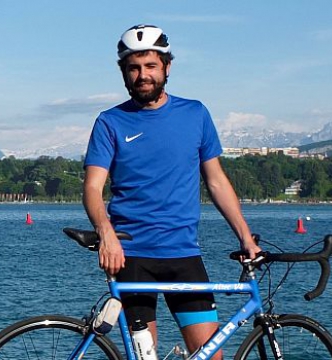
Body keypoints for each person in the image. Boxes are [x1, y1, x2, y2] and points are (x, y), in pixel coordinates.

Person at [82, 24, 261, 359]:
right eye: (133, 68)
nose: (142, 75)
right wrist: (105, 233)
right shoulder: (110, 121)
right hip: (131, 255)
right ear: (124, 72)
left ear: (166, 67)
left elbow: (217, 181)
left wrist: (246, 237)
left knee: (211, 355)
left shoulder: (195, 114)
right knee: (145, 357)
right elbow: (92, 187)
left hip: (183, 253)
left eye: (150, 66)